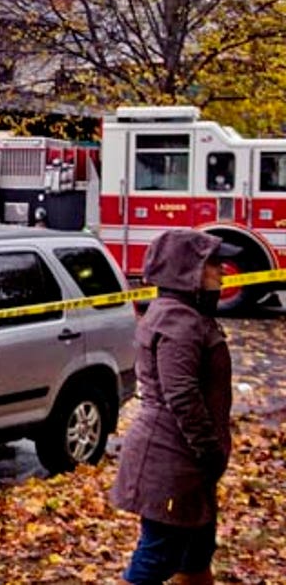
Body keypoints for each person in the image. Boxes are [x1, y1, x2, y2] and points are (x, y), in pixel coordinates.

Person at [112, 230, 236, 585]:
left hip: (188, 463)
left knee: (196, 555)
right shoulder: (176, 322)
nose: (222, 271)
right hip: (169, 459)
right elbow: (180, 394)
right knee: (157, 557)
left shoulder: (187, 314)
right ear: (188, 270)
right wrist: (210, 451)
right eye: (213, 263)